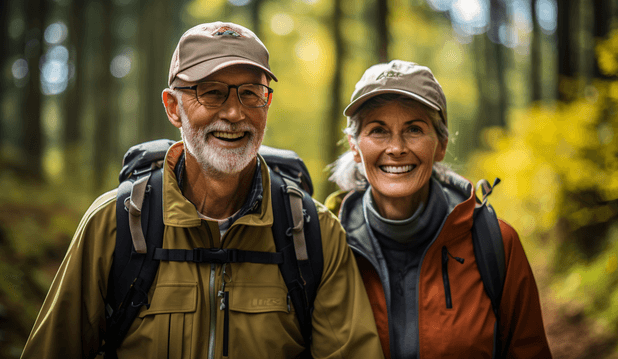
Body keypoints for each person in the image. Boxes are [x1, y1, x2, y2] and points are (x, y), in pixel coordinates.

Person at [21, 21, 383, 359]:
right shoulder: (114, 224)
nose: (234, 113)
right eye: (211, 93)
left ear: (266, 104)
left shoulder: (314, 231)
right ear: (173, 107)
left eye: (250, 94)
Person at [325, 60, 552, 358]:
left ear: (441, 144)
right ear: (355, 147)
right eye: (378, 130)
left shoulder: (496, 243)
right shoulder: (326, 245)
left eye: (414, 129)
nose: (396, 148)